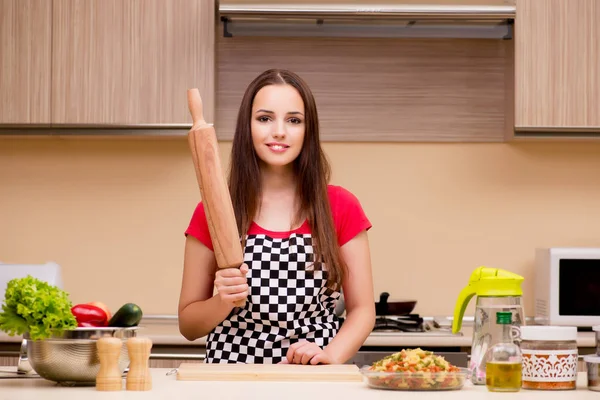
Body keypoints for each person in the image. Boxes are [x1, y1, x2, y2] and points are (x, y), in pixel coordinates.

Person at [178, 69, 375, 365]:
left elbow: (362, 310)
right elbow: (188, 325)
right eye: (265, 118)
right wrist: (222, 302)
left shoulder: (339, 206)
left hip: (311, 379)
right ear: (248, 127)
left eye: (293, 120)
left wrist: (329, 356)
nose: (279, 131)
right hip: (231, 379)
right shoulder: (214, 212)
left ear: (308, 130)